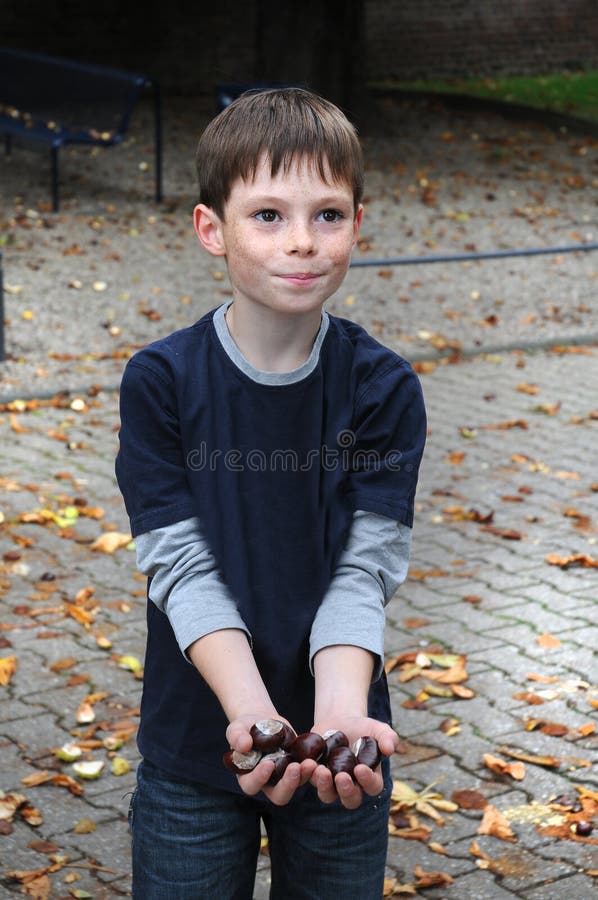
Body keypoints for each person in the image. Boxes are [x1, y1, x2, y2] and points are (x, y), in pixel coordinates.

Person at [115, 87, 427, 900]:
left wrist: (334, 719)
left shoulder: (384, 387)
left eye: (328, 214)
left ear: (359, 222)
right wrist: (252, 717)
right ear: (211, 230)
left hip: (341, 750)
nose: (302, 242)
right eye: (268, 216)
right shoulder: (161, 382)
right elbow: (177, 563)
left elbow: (365, 569)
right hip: (195, 740)